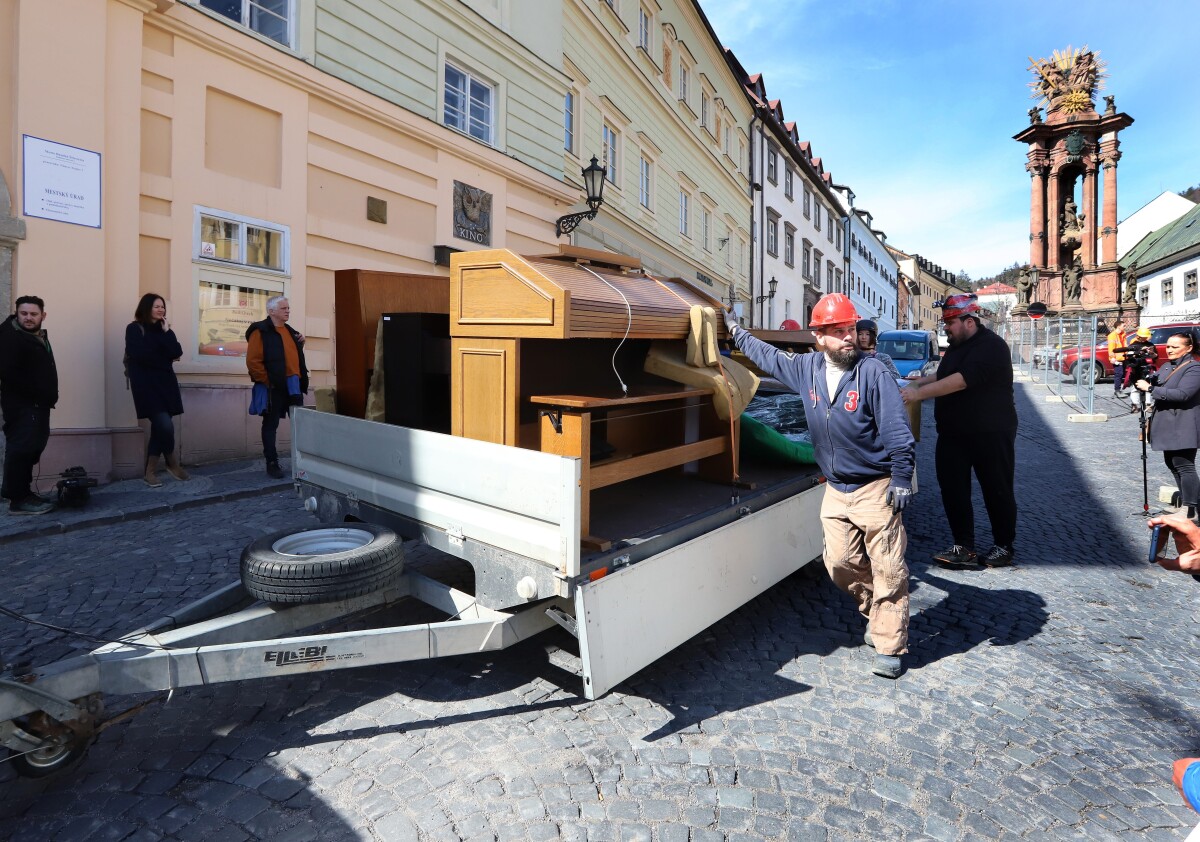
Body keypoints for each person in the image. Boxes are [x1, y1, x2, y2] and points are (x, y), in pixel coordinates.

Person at [725, 293, 915, 679]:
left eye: (850, 329)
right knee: (838, 564)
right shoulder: (808, 368)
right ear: (819, 337)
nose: (849, 337)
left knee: (889, 568)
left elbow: (898, 430)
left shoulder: (873, 373)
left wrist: (901, 478)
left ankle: (889, 643)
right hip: (836, 488)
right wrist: (734, 331)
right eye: (838, 331)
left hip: (876, 486)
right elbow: (768, 357)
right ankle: (874, 610)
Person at [901, 293, 1018, 568]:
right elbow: (944, 374)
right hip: (953, 433)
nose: (946, 328)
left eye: (950, 323)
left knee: (996, 488)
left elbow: (960, 381)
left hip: (991, 432)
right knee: (953, 489)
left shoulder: (992, 346)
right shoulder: (956, 346)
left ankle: (1004, 545)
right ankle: (963, 546)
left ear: (969, 321)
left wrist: (918, 395)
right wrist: (915, 383)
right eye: (945, 323)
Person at [0, 296, 58, 515]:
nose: (28, 318)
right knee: (22, 448)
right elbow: (8, 373)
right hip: (23, 405)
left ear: (43, 315)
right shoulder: (9, 337)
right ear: (17, 313)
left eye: (33, 314)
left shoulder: (36, 335)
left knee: (32, 448)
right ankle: (17, 499)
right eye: (24, 313)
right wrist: (37, 393)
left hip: (37, 404)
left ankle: (24, 493)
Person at [1136, 332, 1200, 523]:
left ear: (1189, 348)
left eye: (1175, 346)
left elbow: (1182, 394)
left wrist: (1150, 389)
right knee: (1173, 464)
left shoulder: (1194, 368)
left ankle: (1191, 509)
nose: (1169, 349)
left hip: (1183, 424)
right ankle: (1188, 505)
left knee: (1185, 465)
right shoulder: (1167, 366)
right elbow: (1154, 380)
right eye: (1168, 346)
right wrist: (1142, 366)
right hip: (1168, 424)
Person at [126, 294, 188, 487]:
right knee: (165, 425)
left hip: (166, 385)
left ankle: (150, 472)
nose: (161, 310)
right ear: (146, 308)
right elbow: (139, 354)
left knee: (160, 427)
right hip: (146, 386)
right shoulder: (134, 328)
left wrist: (167, 333)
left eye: (162, 307)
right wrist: (164, 356)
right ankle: (171, 462)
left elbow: (177, 352)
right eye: (156, 306)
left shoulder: (165, 330)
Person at [246, 296, 308, 479]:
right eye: (283, 308)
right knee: (270, 424)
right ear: (271, 311)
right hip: (273, 385)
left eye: (288, 308)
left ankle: (302, 462)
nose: (287, 311)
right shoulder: (260, 331)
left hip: (293, 383)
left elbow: (290, 356)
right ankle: (272, 463)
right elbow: (253, 361)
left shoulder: (290, 331)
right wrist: (267, 381)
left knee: (299, 424)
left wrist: (301, 344)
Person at [1106, 322, 1127, 396]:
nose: (1125, 327)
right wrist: (1112, 358)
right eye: (1123, 326)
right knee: (1118, 374)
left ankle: (1119, 389)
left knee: (1122, 374)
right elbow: (1111, 348)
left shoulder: (1123, 335)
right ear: (1118, 326)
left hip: (1123, 357)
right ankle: (1117, 390)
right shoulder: (1112, 336)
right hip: (1117, 358)